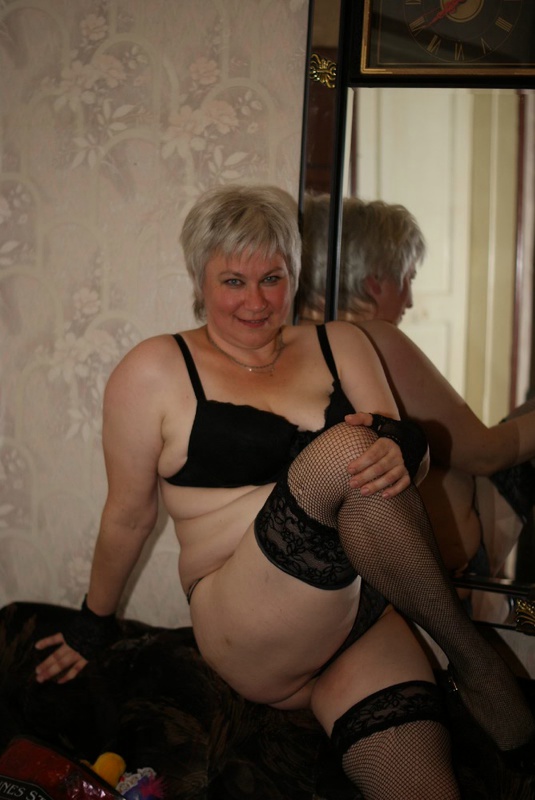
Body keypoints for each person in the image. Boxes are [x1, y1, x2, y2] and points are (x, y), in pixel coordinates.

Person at [34, 185, 535, 799]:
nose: (256, 301)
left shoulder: (342, 343)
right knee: (349, 448)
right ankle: (471, 655)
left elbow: (405, 464)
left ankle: (461, 668)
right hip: (246, 619)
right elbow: (129, 516)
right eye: (234, 281)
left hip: (356, 617)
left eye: (272, 278)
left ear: (294, 276)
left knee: (422, 788)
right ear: (199, 279)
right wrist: (93, 623)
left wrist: (407, 450)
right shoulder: (154, 370)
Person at [298, 192, 535, 579]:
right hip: (442, 565)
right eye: (407, 278)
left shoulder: (295, 340)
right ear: (375, 282)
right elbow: (486, 454)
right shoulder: (373, 339)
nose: (409, 300)